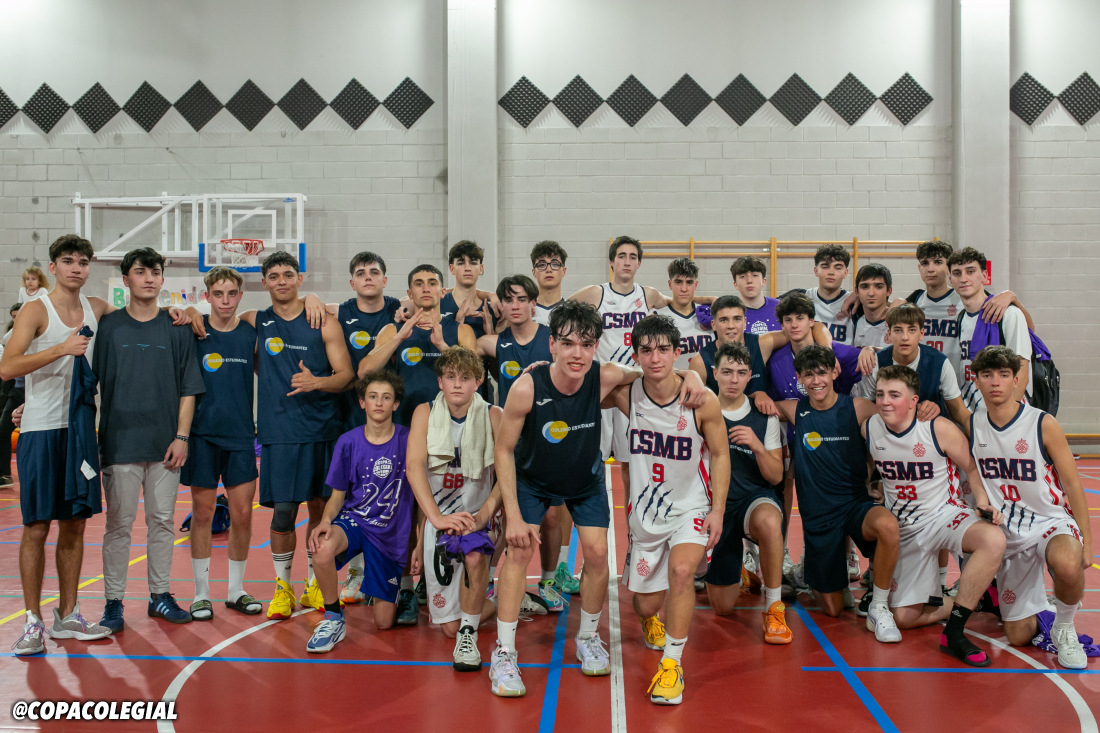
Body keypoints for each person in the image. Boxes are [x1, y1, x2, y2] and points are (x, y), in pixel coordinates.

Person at [487, 300, 707, 697]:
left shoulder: (603, 375)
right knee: (518, 551)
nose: (577, 353)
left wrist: (689, 373)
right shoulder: (527, 387)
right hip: (533, 480)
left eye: (587, 344)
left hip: (585, 480)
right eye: (568, 343)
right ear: (552, 344)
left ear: (595, 347)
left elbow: (649, 372)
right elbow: (503, 450)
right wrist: (514, 516)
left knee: (598, 553)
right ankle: (504, 652)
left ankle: (588, 636)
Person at [0, 235, 135, 652]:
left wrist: (187, 311)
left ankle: (68, 615)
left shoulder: (96, 308)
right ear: (53, 267)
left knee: (75, 525)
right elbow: (7, 366)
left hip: (79, 433)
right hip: (40, 431)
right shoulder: (35, 309)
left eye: (83, 262)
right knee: (36, 527)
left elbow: (140, 313)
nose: (76, 268)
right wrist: (61, 348)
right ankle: (32, 622)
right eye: (68, 261)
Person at [607, 315, 730, 705]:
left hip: (691, 506)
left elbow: (721, 454)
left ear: (677, 352)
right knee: (645, 604)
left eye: (664, 350)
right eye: (646, 351)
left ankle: (672, 666)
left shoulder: (702, 400)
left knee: (681, 572)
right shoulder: (627, 394)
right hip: (646, 515)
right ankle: (651, 619)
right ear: (636, 355)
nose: (655, 358)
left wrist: (718, 510)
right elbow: (584, 380)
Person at [93, 247, 206, 629]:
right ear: (126, 279)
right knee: (119, 526)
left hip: (165, 446)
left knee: (162, 523)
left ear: (162, 279)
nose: (149, 278)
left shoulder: (177, 327)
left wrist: (182, 437)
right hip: (119, 443)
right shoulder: (108, 327)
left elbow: (189, 388)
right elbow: (87, 380)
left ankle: (160, 596)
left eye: (155, 272)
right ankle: (113, 603)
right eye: (140, 272)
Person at [864, 365, 1006, 665]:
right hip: (905, 528)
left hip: (943, 515)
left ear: (914, 401)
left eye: (894, 395)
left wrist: (983, 502)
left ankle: (954, 630)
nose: (885, 401)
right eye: (880, 394)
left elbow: (971, 467)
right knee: (903, 618)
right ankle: (970, 599)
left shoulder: (936, 428)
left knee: (992, 539)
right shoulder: (871, 426)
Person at [360, 264, 477, 621]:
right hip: (405, 434)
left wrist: (442, 344)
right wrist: (399, 337)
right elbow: (365, 371)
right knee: (404, 510)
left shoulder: (460, 330)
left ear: (443, 291)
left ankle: (436, 578)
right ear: (408, 293)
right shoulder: (393, 329)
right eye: (418, 284)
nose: (426, 288)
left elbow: (475, 371)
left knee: (447, 506)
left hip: (454, 435)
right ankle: (407, 587)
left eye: (432, 283)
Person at [248, 251, 355, 620]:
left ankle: (314, 583)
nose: (281, 281)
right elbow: (217, 317)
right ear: (264, 282)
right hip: (280, 432)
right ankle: (282, 587)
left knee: (320, 511)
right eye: (274, 275)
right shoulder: (256, 321)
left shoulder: (323, 321)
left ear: (299, 278)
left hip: (323, 429)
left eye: (288, 274)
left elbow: (346, 376)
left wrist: (316, 382)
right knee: (282, 513)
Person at [970, 346, 1092, 669]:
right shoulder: (972, 425)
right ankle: (1046, 607)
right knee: (1018, 635)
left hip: (1050, 522)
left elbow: (1074, 486)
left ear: (1016, 380)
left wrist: (1089, 544)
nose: (995, 382)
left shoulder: (1042, 423)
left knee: (1068, 564)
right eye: (987, 375)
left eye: (1003, 374)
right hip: (1009, 533)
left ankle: (1064, 626)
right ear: (976, 380)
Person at [773, 346, 902, 642]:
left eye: (822, 373)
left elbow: (898, 419)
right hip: (819, 516)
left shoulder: (857, 407)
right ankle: (817, 573)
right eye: (808, 375)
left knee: (888, 526)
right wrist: (758, 396)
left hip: (855, 505)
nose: (816, 380)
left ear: (834, 372)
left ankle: (878, 604)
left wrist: (877, 478)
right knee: (832, 609)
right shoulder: (795, 410)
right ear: (799, 378)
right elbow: (752, 404)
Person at [474, 276, 571, 608]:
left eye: (521, 299)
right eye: (508, 299)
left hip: (549, 438)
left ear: (533, 303)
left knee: (553, 517)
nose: (514, 306)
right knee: (504, 515)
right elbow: (459, 352)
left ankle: (548, 581)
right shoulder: (494, 343)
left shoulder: (552, 339)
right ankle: (488, 581)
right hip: (512, 442)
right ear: (501, 305)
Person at [406, 347, 503, 669]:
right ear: (440, 382)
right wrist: (434, 521)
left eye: (465, 377)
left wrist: (485, 515)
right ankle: (503, 600)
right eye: (450, 377)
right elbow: (414, 467)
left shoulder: (493, 415)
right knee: (448, 627)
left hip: (478, 516)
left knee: (474, 556)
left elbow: (508, 475)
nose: (457, 384)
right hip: (442, 519)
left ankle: (469, 635)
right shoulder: (424, 413)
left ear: (478, 382)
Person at [304, 371, 415, 652]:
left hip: (388, 533)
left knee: (384, 623)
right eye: (373, 396)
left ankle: (378, 585)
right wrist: (325, 521)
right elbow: (337, 496)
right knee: (322, 548)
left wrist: (421, 540)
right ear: (362, 402)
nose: (379, 402)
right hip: (356, 521)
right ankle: (333, 617)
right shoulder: (348, 442)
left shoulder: (409, 440)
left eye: (386, 397)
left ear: (395, 404)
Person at [179, 267, 262, 620]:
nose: (225, 301)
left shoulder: (250, 334)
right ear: (207, 296)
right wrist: (189, 311)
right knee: (203, 514)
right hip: (202, 437)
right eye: (218, 294)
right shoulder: (194, 331)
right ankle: (201, 594)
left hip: (241, 437)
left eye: (231, 294)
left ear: (240, 296)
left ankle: (235, 590)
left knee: (242, 514)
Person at [704, 342, 791, 644]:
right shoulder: (700, 410)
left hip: (752, 500)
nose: (734, 379)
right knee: (722, 607)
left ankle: (774, 609)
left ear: (749, 375)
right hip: (715, 509)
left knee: (769, 521)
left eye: (741, 373)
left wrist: (757, 446)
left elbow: (776, 476)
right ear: (715, 373)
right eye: (727, 372)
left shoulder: (763, 415)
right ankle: (739, 570)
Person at [855, 304, 970, 431]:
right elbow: (866, 410)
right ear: (889, 334)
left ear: (921, 333)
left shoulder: (939, 362)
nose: (905, 337)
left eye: (911, 330)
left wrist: (979, 434)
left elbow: (959, 412)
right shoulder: (874, 362)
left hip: (930, 433)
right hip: (889, 433)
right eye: (898, 330)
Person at [949, 248, 1032, 413]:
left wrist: (1007, 417)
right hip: (975, 412)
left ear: (985, 276)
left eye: (970, 271)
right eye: (957, 273)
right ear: (950, 280)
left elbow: (1022, 372)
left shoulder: (1009, 314)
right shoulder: (961, 318)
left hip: (1005, 413)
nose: (963, 279)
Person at [335, 252, 402, 431]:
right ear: (352, 284)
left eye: (374, 272)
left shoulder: (400, 308)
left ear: (384, 280)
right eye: (360, 273)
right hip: (351, 405)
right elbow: (298, 305)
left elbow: (436, 294)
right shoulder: (339, 312)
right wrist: (309, 297)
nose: (368, 278)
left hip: (391, 405)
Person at [654, 258, 713, 370]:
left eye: (689, 282)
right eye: (678, 282)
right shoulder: (657, 318)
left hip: (709, 380)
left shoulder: (710, 314)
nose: (684, 289)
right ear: (670, 284)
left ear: (696, 285)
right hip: (674, 380)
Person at [804, 245, 852, 343]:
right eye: (825, 267)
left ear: (845, 273)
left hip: (843, 353)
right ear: (816, 271)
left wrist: (858, 295)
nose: (831, 272)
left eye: (838, 268)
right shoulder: (803, 297)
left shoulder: (854, 303)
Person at [0, 303, 25, 488]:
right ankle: (4, 474)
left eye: (19, 316)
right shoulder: (10, 336)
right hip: (17, 390)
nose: (16, 320)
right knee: (3, 429)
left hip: (34, 392)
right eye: (14, 317)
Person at [730, 256, 779, 334]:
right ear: (735, 284)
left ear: (764, 281)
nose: (749, 281)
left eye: (755, 275)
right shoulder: (728, 312)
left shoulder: (782, 308)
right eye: (743, 276)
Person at [849, 264, 893, 349]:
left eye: (878, 287)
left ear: (889, 291)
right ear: (856, 292)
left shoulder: (900, 322)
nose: (871, 293)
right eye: (864, 287)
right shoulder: (854, 320)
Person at [531, 240, 568, 326]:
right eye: (542, 265)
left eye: (555, 264)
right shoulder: (524, 311)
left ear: (564, 271)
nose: (548, 270)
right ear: (534, 273)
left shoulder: (572, 312)